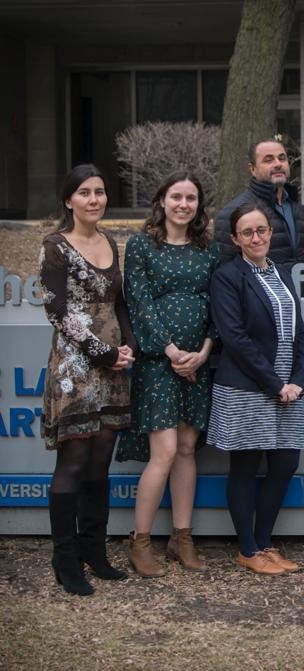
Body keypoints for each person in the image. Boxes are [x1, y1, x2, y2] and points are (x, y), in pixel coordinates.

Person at [116, 171, 219, 577]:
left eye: (191, 198)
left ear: (198, 205)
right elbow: (138, 302)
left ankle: (182, 537)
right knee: (165, 451)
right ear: (162, 200)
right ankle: (140, 540)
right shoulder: (142, 245)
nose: (183, 204)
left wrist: (203, 353)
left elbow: (217, 304)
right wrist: (172, 352)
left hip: (197, 362)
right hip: (159, 362)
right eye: (176, 196)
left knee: (188, 448)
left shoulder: (209, 249)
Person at [39, 164, 136, 595]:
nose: (94, 199)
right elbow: (57, 312)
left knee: (100, 461)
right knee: (74, 461)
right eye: (84, 192)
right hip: (75, 369)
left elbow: (119, 303)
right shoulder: (55, 246)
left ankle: (94, 551)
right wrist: (104, 353)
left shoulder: (109, 242)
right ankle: (65, 559)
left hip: (114, 367)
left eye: (99, 191)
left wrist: (128, 346)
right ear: (69, 200)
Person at [207, 203, 304, 575]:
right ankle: (248, 550)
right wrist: (275, 383)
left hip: (286, 390)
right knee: (245, 466)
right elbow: (235, 338)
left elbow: (299, 332)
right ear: (236, 239)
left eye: (261, 230)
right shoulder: (227, 277)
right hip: (248, 386)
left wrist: (298, 379)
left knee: (285, 463)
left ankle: (265, 542)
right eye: (247, 232)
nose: (256, 238)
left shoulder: (282, 272)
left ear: (270, 232)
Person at [214, 138, 304, 282]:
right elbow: (226, 274)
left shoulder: (295, 208)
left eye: (282, 158)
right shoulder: (233, 213)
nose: (278, 164)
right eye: (268, 160)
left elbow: (301, 259)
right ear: (253, 169)